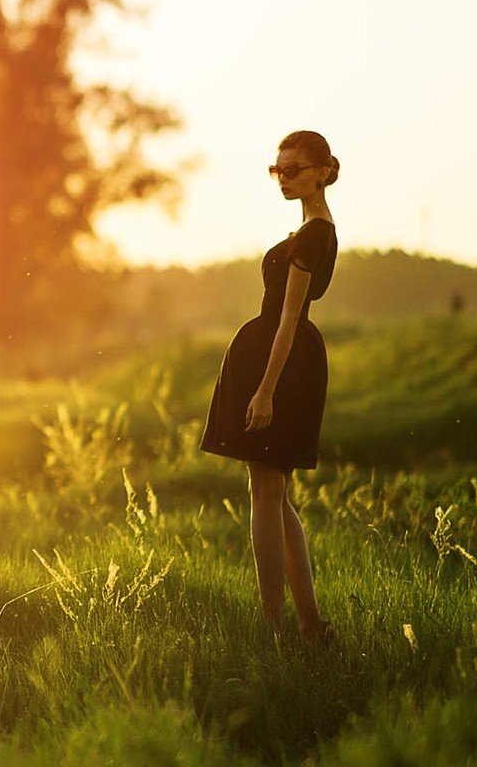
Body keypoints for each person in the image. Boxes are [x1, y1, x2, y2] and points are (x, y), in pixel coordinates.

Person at [198, 130, 341, 646]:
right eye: (277, 170)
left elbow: (288, 318)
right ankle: (308, 627)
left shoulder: (314, 235)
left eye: (294, 169)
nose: (284, 178)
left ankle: (274, 628)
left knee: (266, 494)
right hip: (279, 360)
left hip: (282, 365)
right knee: (276, 498)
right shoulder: (308, 229)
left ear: (323, 171)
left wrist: (265, 391)